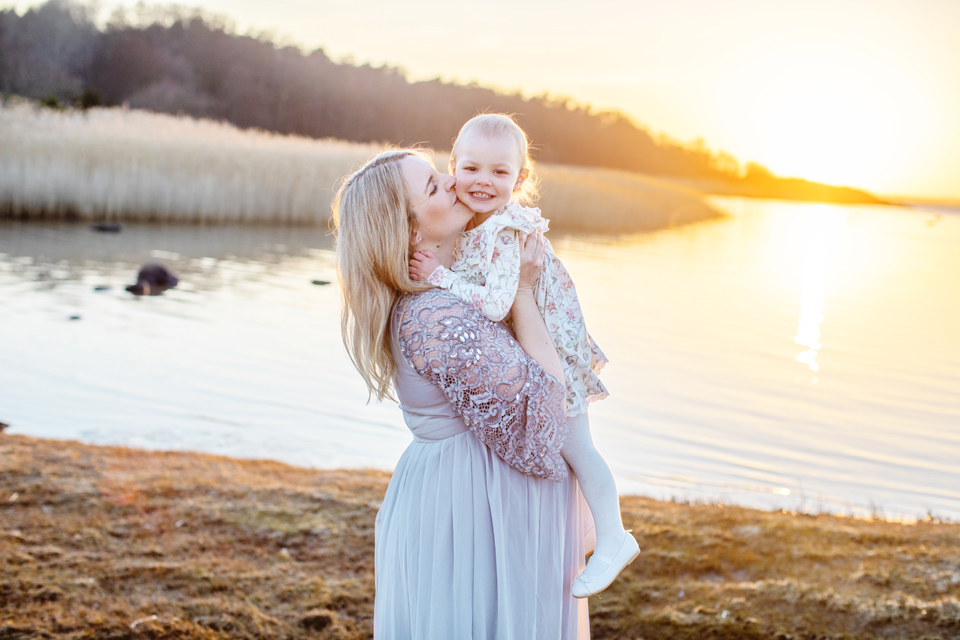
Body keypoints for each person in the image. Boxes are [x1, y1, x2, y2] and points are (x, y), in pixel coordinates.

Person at [333, 148, 592, 639]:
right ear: (408, 231)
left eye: (440, 172)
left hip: (467, 500)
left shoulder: (447, 293)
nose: (454, 181)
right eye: (433, 186)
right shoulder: (436, 317)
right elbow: (545, 409)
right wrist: (521, 290)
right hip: (469, 511)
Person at [408, 114, 638, 598]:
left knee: (577, 446)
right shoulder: (477, 224)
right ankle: (593, 530)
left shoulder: (506, 232)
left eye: (499, 172)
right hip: (537, 346)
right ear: (453, 167)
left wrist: (439, 278)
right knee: (566, 449)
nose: (483, 181)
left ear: (521, 179)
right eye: (471, 168)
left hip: (553, 352)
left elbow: (496, 303)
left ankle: (615, 536)